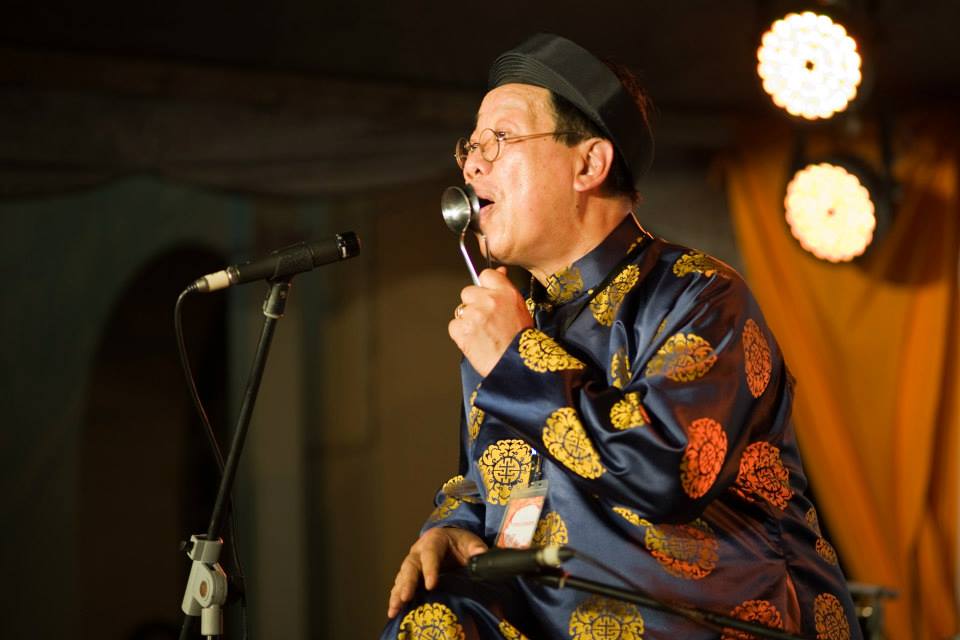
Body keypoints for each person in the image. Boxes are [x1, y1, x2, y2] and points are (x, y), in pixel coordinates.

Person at [382, 33, 860, 639]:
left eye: (499, 138)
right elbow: (501, 477)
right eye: (471, 146)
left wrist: (517, 360)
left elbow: (669, 471)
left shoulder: (699, 295)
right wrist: (453, 525)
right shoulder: (512, 318)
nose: (472, 164)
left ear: (589, 164)